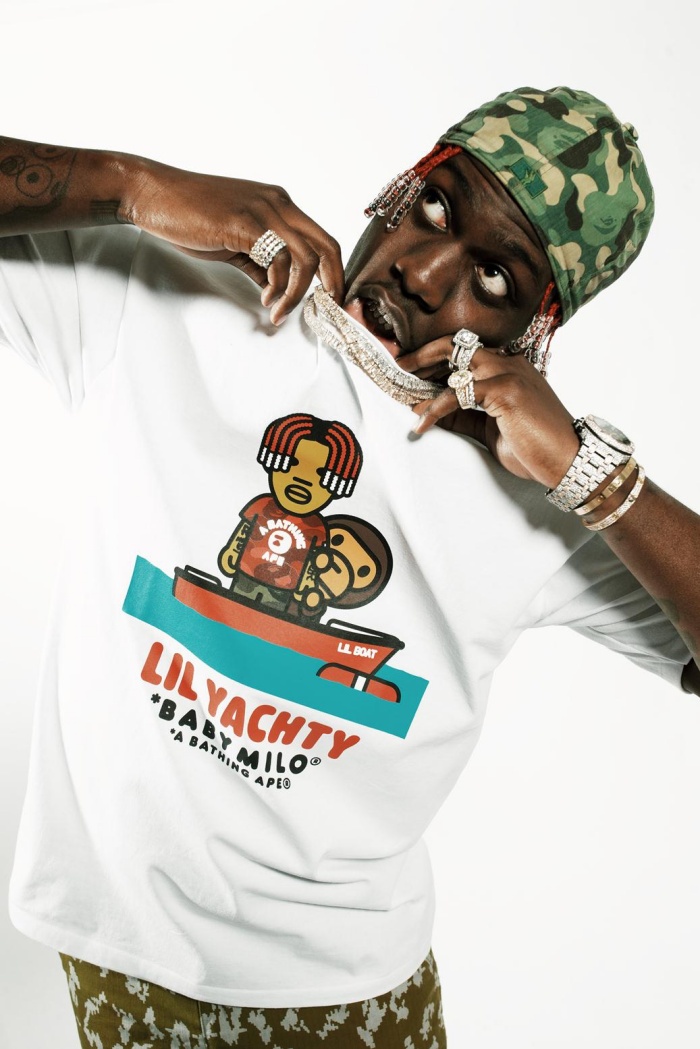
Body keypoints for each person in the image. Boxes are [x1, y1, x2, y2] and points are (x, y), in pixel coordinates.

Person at [1, 85, 697, 1048]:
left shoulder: (542, 485)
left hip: (345, 1003)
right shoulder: (165, 297)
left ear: (537, 329)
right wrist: (129, 186)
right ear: (401, 184)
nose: (422, 273)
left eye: (493, 279)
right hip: (117, 963)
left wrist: (590, 475)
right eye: (434, 209)